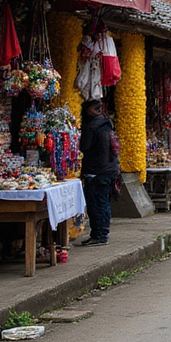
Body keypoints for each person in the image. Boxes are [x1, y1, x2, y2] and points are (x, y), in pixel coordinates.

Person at [78, 98, 119, 246]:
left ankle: (99, 236)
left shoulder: (92, 127)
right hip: (108, 169)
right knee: (103, 203)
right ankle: (101, 234)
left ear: (94, 110)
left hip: (96, 171)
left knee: (96, 204)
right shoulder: (106, 124)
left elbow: (84, 147)